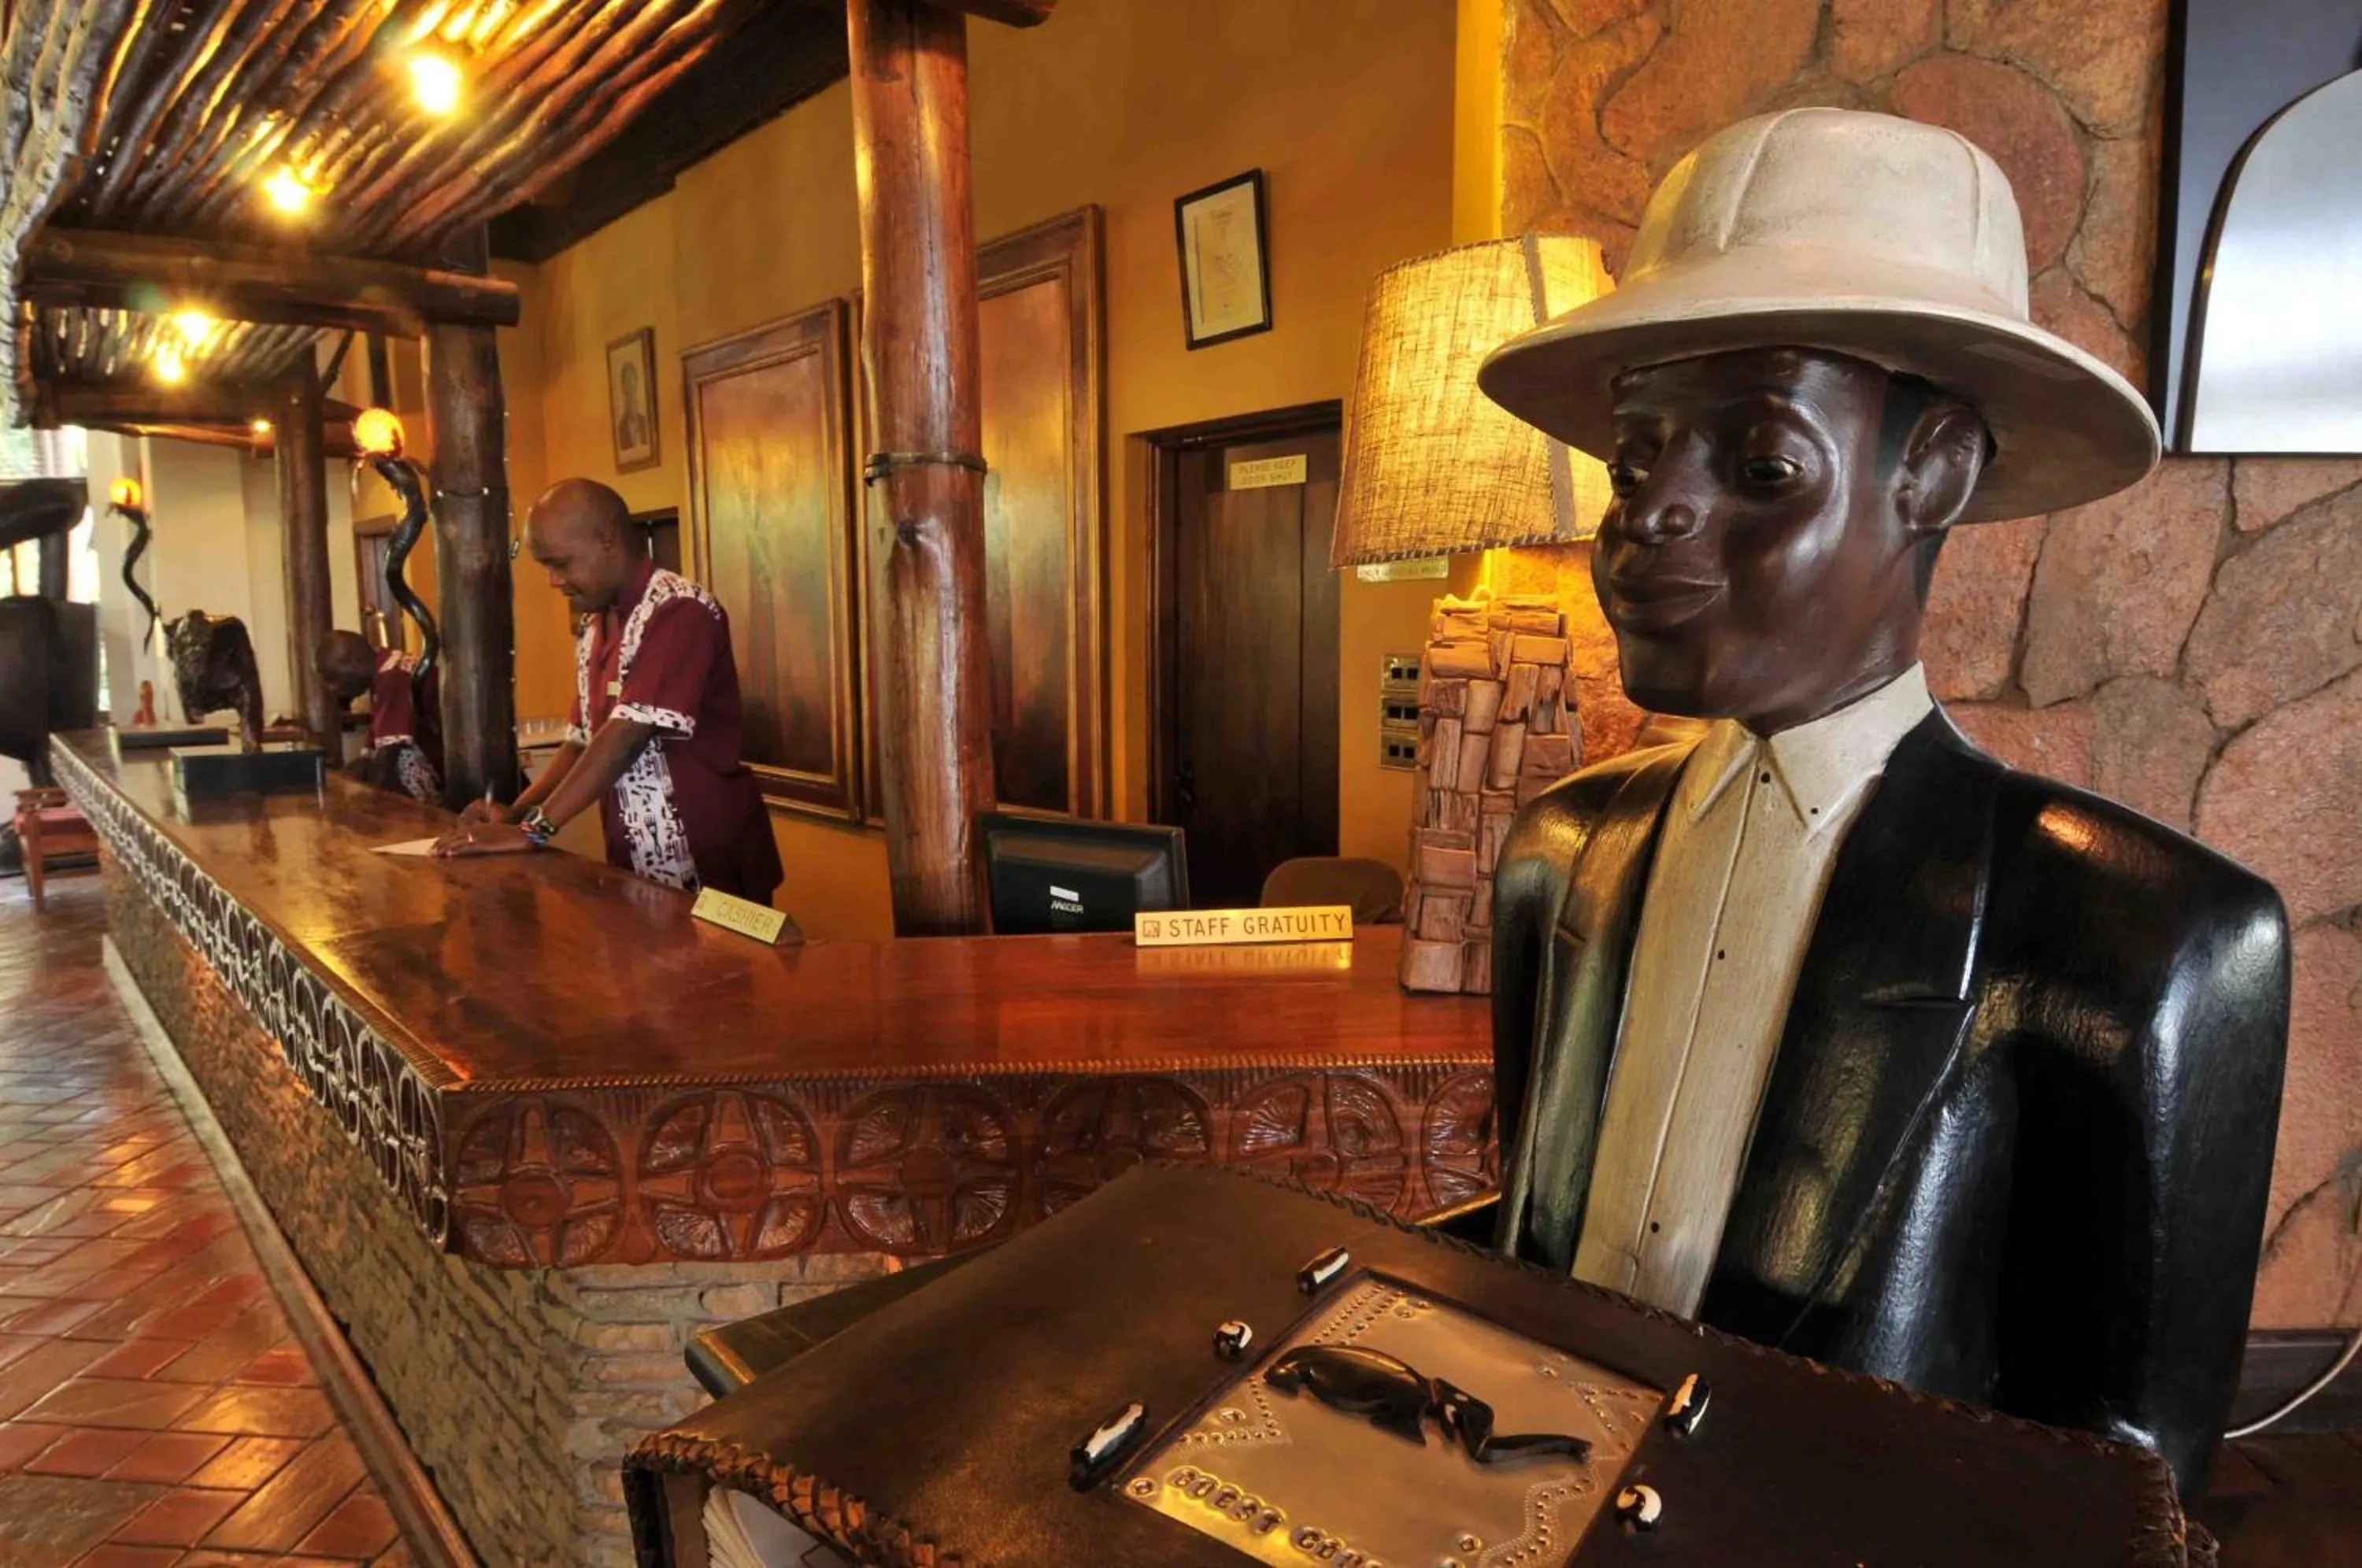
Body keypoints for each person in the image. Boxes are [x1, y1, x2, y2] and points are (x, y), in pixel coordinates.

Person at [1475, 109, 2287, 1496]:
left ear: (1935, 473)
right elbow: (1520, 1245)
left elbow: (2132, 1471)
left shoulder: (2143, 938)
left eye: (1760, 464)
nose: (1647, 513)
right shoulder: (1562, 853)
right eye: (1636, 456)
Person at [437, 479, 782, 903]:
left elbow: (626, 736)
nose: (552, 581)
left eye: (560, 564)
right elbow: (582, 743)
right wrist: (517, 813)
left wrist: (535, 832)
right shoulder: (596, 625)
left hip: (709, 859)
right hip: (637, 861)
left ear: (607, 541)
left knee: (725, 969)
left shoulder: (678, 609)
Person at [317, 629, 441, 802]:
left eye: (332, 677)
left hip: (450, 776)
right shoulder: (386, 668)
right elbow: (369, 756)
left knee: (392, 766)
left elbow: (389, 758)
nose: (331, 688)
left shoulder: (392, 678)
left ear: (355, 662)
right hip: (441, 763)